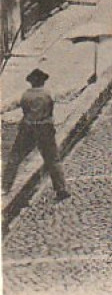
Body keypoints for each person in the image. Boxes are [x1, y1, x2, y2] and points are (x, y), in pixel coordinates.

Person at [1, 68, 70, 201]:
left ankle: (5, 187)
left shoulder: (25, 95)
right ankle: (61, 189)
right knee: (52, 159)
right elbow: (66, 97)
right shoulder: (49, 93)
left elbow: (9, 106)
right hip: (45, 129)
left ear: (31, 82)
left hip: (28, 129)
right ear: (43, 81)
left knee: (15, 157)